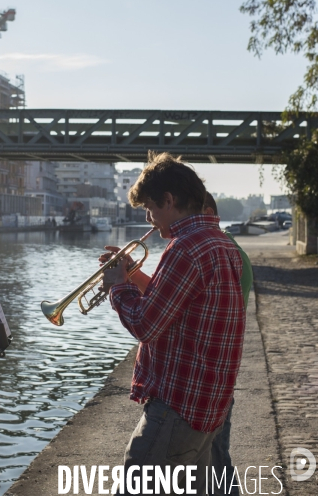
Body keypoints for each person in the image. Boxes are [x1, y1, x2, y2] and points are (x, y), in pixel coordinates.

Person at [101, 152, 246, 495]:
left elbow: (145, 325)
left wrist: (117, 285)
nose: (150, 220)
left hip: (178, 405)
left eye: (151, 209)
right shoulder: (223, 245)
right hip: (209, 403)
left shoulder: (185, 248)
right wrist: (133, 274)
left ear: (169, 200)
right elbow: (179, 306)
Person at [203, 192, 253, 496]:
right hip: (218, 375)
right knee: (216, 462)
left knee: (218, 462)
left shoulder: (217, 252)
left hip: (210, 376)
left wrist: (122, 286)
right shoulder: (228, 248)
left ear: (207, 211)